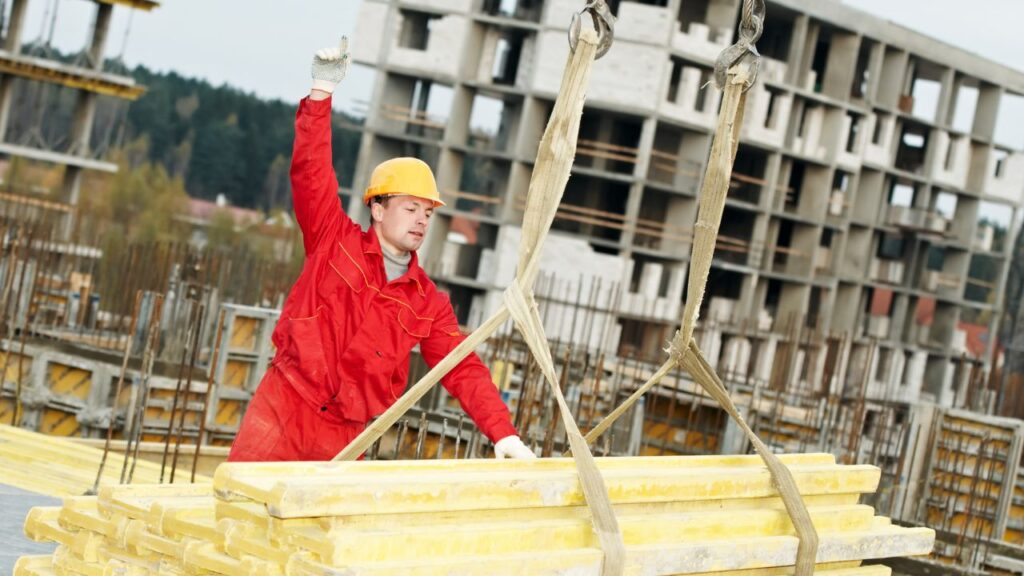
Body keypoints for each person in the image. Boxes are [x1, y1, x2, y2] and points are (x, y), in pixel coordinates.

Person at [227, 38, 534, 462]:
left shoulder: (428, 303)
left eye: (428, 212)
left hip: (345, 439)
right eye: (411, 208)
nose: (422, 220)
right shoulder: (334, 241)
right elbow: (311, 173)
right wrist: (321, 94)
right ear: (376, 208)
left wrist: (504, 435)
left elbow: (461, 368)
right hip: (283, 411)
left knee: (317, 529)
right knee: (240, 513)